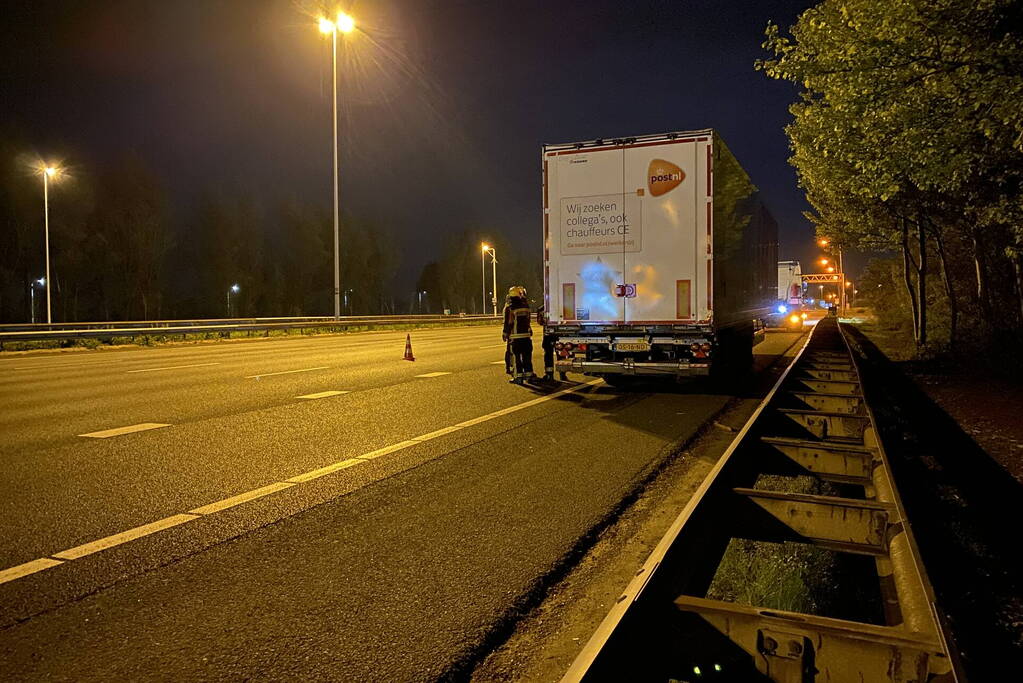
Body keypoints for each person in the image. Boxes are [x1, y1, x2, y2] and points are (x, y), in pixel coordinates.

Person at [502, 285, 536, 384]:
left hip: (515, 337)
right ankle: (529, 375)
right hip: (526, 336)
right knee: (527, 357)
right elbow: (528, 320)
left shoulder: (510, 308)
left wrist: (505, 333)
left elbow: (509, 322)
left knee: (516, 358)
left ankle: (518, 377)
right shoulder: (526, 306)